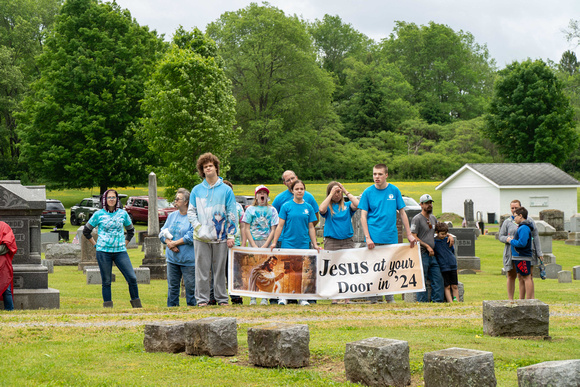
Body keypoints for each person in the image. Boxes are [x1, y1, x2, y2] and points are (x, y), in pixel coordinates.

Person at [359, 164, 417, 303]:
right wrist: (367, 237)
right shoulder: (368, 192)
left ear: (386, 175)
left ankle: (389, 297)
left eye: (379, 174)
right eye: (374, 174)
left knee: (390, 268)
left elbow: (402, 213)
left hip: (390, 236)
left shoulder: (394, 190)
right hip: (374, 237)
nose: (376, 177)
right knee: (374, 268)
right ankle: (373, 298)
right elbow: (363, 216)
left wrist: (408, 234)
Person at [188, 153, 238, 307]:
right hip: (200, 237)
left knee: (219, 270)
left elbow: (232, 213)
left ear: (216, 167)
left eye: (210, 166)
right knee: (202, 271)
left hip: (221, 236)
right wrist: (198, 227)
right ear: (202, 171)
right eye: (205, 167)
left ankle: (222, 299)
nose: (208, 168)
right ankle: (202, 300)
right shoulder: (196, 190)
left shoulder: (226, 190)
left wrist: (231, 234)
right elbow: (191, 212)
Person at [83, 189, 141, 308]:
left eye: (113, 197)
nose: (111, 200)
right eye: (109, 197)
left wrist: (124, 243)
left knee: (132, 278)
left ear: (117, 199)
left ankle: (137, 306)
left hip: (120, 252)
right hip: (103, 252)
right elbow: (86, 231)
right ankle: (108, 308)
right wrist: (95, 244)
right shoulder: (98, 214)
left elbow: (130, 231)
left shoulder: (123, 214)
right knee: (106, 281)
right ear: (105, 199)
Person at [270, 180, 321, 306]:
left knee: (301, 272)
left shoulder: (308, 207)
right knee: (286, 271)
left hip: (303, 243)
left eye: (301, 189)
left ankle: (302, 297)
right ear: (292, 191)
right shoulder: (286, 206)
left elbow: (311, 227)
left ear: (304, 190)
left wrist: (314, 244)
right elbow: (280, 226)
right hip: (288, 243)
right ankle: (283, 296)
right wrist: (274, 242)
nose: (299, 191)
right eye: (297, 189)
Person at [319, 181, 359, 304]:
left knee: (347, 269)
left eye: (338, 192)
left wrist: (345, 191)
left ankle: (347, 298)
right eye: (335, 192)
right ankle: (334, 297)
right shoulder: (328, 208)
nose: (337, 194)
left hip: (347, 241)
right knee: (333, 269)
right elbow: (321, 209)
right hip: (332, 241)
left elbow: (358, 204)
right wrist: (330, 195)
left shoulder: (346, 206)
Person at [498, 199, 543, 300]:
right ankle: (511, 300)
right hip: (511, 252)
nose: (514, 210)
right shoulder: (507, 222)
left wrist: (539, 252)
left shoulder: (529, 222)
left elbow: (535, 237)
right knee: (511, 275)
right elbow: (501, 236)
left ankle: (525, 300)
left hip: (525, 252)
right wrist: (508, 239)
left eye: (516, 208)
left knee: (526, 276)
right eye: (512, 208)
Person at [242, 185, 279, 305]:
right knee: (253, 271)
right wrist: (253, 244)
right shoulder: (250, 210)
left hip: (266, 241)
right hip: (253, 241)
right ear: (256, 196)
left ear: (267, 196)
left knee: (265, 272)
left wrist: (266, 245)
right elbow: (246, 228)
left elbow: (273, 229)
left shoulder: (272, 210)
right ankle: (253, 296)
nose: (262, 195)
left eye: (264, 193)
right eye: (260, 193)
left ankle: (264, 297)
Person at [159, 188, 196, 307]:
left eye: (178, 199)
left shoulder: (193, 217)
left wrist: (174, 244)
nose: (175, 201)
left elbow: (191, 236)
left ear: (186, 202)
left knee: (191, 289)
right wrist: (168, 242)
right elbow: (162, 232)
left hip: (188, 261)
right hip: (172, 260)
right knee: (172, 288)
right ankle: (172, 312)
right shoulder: (172, 216)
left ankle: (193, 312)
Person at [411, 194, 446, 303]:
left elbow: (439, 231)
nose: (429, 205)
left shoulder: (433, 218)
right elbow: (413, 236)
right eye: (426, 203)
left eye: (430, 203)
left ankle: (437, 302)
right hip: (422, 254)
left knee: (438, 278)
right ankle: (422, 303)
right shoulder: (417, 219)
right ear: (421, 205)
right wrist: (426, 246)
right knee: (422, 279)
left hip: (432, 254)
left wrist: (449, 236)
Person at [506, 207, 535, 300]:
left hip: (522, 257)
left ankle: (528, 300)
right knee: (522, 277)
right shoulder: (522, 227)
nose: (514, 219)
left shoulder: (524, 228)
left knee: (527, 277)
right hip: (518, 257)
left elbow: (522, 243)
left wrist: (511, 241)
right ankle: (523, 300)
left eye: (515, 216)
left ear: (521, 216)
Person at [223, 180, 243, 305]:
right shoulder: (218, 206)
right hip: (219, 242)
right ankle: (215, 296)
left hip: (235, 243)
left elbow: (243, 225)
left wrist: (242, 242)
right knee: (219, 270)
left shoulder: (238, 207)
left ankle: (236, 296)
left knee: (234, 271)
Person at [433, 222, 459, 302]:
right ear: (437, 232)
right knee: (447, 286)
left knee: (454, 286)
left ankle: (457, 302)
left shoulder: (449, 240)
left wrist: (449, 236)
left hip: (452, 265)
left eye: (445, 234)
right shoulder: (435, 243)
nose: (444, 235)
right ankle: (450, 302)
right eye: (442, 234)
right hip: (444, 267)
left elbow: (452, 251)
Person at [0, 221, 17, 311]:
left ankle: (9, 309)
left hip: (3, 263)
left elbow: (8, 245)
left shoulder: (4, 226)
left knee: (6, 287)